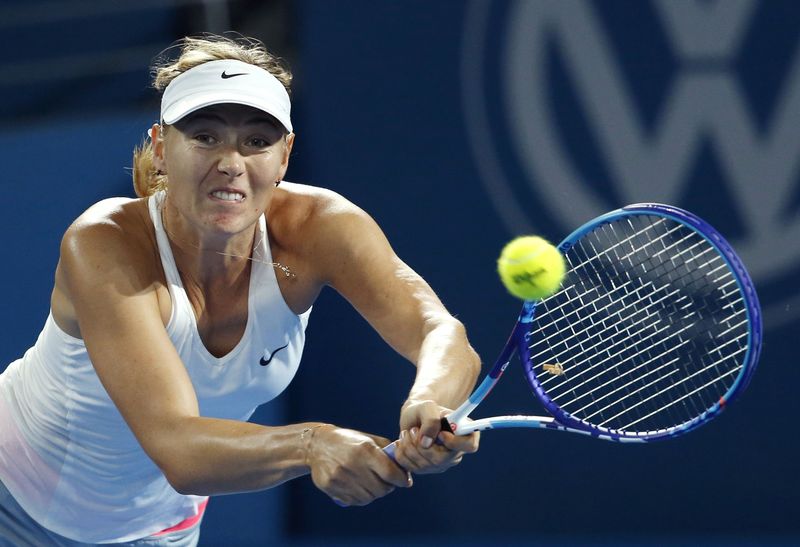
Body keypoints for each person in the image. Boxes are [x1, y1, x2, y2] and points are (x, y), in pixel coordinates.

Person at [0, 34, 481, 545]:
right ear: (161, 147)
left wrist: (433, 405)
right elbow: (179, 448)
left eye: (257, 141)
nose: (232, 161)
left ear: (284, 157)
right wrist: (312, 444)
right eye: (205, 136)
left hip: (158, 529)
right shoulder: (104, 242)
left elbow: (439, 331)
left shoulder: (322, 228)